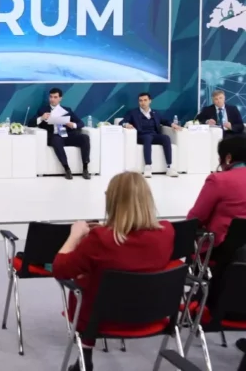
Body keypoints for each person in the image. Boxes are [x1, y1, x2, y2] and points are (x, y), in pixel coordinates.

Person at [53, 171, 175, 371]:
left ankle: (86, 354)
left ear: (113, 202)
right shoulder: (167, 232)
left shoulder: (100, 239)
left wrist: (75, 235)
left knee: (86, 282)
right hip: (153, 317)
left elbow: (59, 269)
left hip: (100, 321)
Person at [187, 136, 246, 249]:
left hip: (222, 251)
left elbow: (195, 219)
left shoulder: (218, 180)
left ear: (228, 158)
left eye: (220, 157)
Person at [32, 88, 91, 180]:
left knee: (85, 137)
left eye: (55, 97)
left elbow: (81, 123)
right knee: (56, 139)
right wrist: (41, 118)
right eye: (51, 97)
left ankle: (85, 168)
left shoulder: (67, 110)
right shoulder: (43, 110)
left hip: (67, 135)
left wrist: (73, 125)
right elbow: (30, 123)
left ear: (60, 98)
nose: (52, 99)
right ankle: (67, 169)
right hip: (54, 136)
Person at [121, 92, 181, 178]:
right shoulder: (133, 113)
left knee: (166, 138)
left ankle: (169, 167)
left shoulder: (155, 112)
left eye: (145, 100)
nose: (143, 102)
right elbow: (122, 122)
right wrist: (126, 124)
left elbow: (164, 121)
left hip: (154, 135)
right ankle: (148, 167)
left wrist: (172, 124)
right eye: (140, 100)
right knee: (147, 138)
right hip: (141, 136)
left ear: (150, 101)